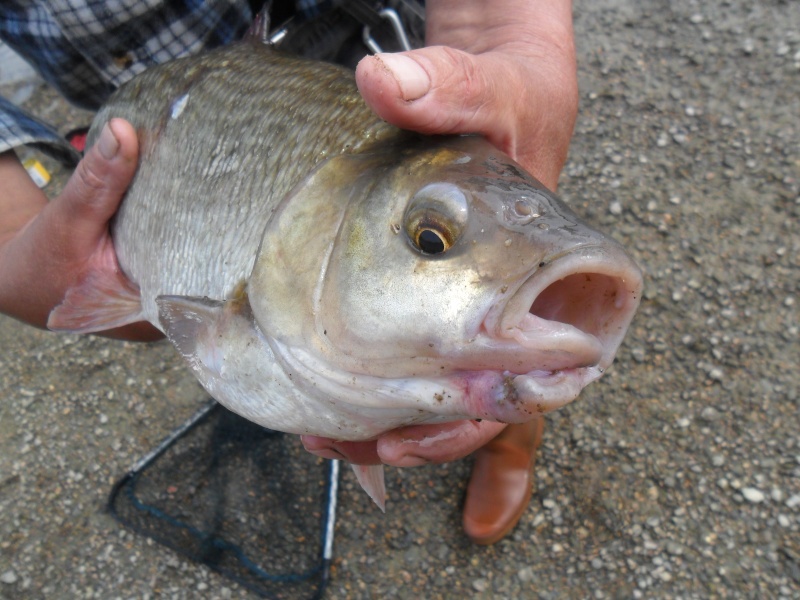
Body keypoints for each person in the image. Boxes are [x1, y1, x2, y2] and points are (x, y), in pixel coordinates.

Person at [0, 0, 578, 545]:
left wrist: (510, 41)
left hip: (388, 69)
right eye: (431, 240)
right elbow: (179, 316)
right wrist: (12, 241)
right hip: (159, 119)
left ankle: (516, 416)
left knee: (498, 223)